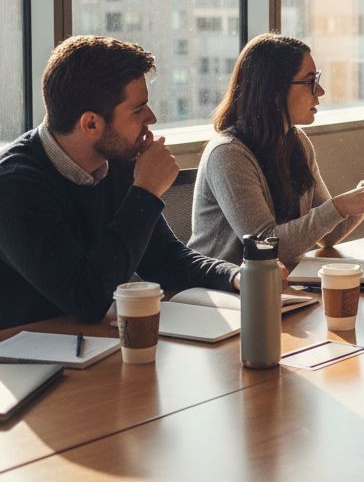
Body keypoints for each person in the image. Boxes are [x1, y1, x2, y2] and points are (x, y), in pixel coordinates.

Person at [0, 35, 243, 330]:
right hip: (27, 348)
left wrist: (235, 275)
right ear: (91, 123)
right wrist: (146, 192)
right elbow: (88, 299)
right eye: (138, 110)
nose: (151, 118)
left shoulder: (116, 160)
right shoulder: (15, 187)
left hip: (92, 341)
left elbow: (164, 258)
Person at [188, 33, 364, 268]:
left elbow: (329, 235)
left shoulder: (296, 142)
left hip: (281, 280)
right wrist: (340, 206)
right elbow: (264, 247)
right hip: (220, 286)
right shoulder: (228, 154)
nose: (320, 91)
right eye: (310, 82)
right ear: (274, 92)